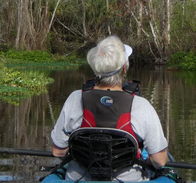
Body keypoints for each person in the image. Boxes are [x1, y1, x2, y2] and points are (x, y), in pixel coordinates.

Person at [51, 35, 168, 181]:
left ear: (95, 67)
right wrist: (145, 161)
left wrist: (83, 152)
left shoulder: (75, 99)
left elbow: (58, 151)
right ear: (124, 68)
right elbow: (160, 161)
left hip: (79, 179)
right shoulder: (141, 105)